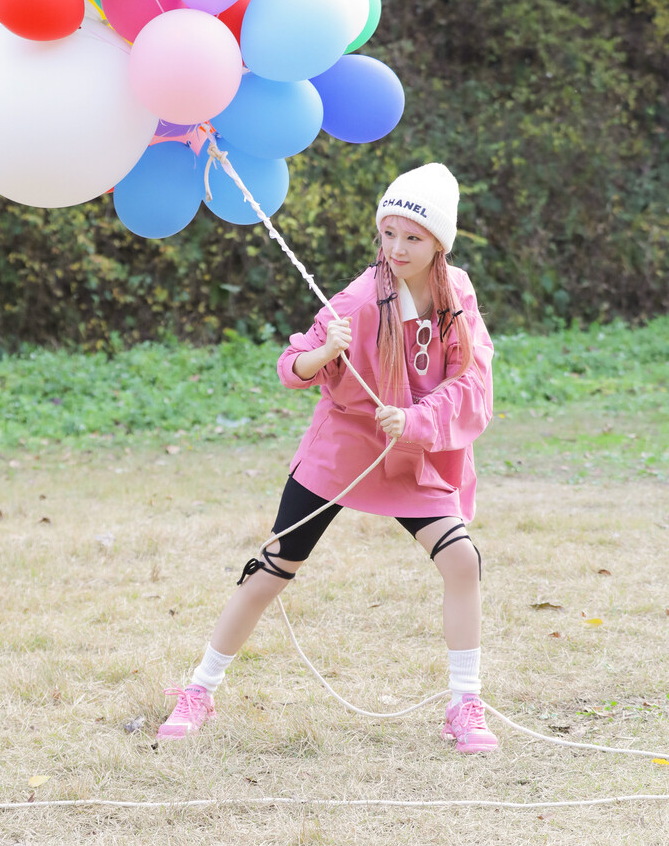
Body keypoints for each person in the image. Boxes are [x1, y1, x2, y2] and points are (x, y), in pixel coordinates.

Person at [158, 162, 497, 753]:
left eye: (412, 237)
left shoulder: (456, 293)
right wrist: (327, 352)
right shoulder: (361, 296)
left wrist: (416, 421)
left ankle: (464, 704)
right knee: (272, 568)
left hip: (412, 450)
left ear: (439, 243)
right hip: (344, 450)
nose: (396, 247)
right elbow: (293, 365)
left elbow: (473, 378)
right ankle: (200, 690)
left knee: (462, 561)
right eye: (388, 233)